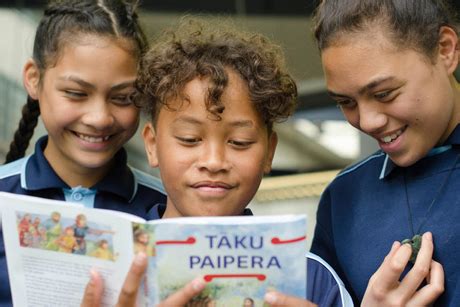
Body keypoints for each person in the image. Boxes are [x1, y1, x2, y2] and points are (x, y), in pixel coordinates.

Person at [82, 18, 353, 307]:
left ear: (269, 152)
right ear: (152, 145)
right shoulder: (105, 267)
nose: (214, 162)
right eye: (189, 139)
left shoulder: (312, 279)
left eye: (239, 142)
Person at [0, 0, 167, 304]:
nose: (99, 117)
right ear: (34, 79)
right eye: (76, 93)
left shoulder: (166, 208)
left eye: (124, 97)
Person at [310, 0, 458, 305]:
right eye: (346, 102)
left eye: (384, 94)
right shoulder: (344, 197)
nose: (367, 121)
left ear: (445, 49)